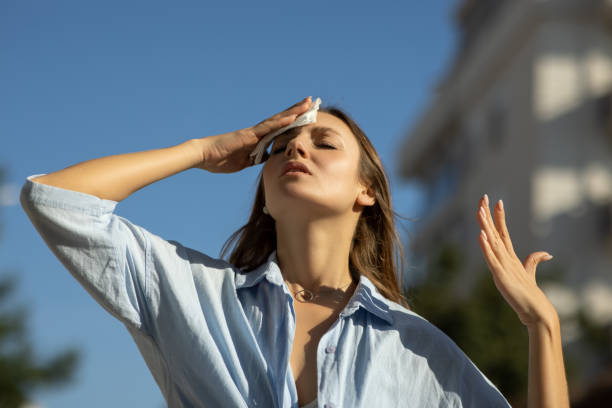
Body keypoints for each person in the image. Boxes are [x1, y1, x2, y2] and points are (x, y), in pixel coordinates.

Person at [20, 96, 569, 407]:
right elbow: (54, 200)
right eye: (280, 147)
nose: (297, 148)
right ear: (265, 193)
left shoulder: (416, 348)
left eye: (323, 143)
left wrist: (542, 328)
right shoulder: (193, 294)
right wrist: (201, 150)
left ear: (367, 192)